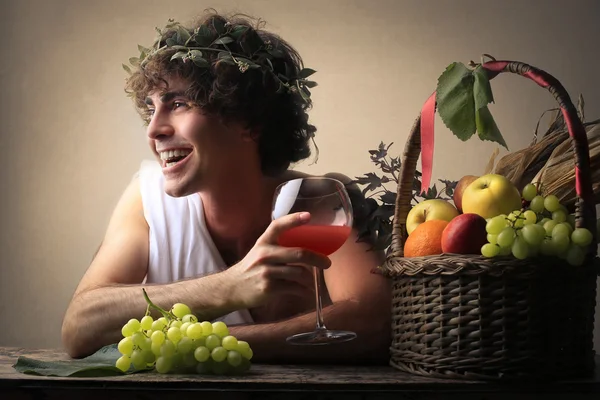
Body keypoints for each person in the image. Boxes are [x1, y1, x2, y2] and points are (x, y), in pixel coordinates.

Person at [61, 10, 391, 364]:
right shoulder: (146, 198)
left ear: (247, 120)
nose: (153, 130)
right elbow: (79, 327)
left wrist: (201, 341)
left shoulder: (320, 200)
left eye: (178, 104)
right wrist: (228, 287)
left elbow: (373, 320)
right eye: (151, 108)